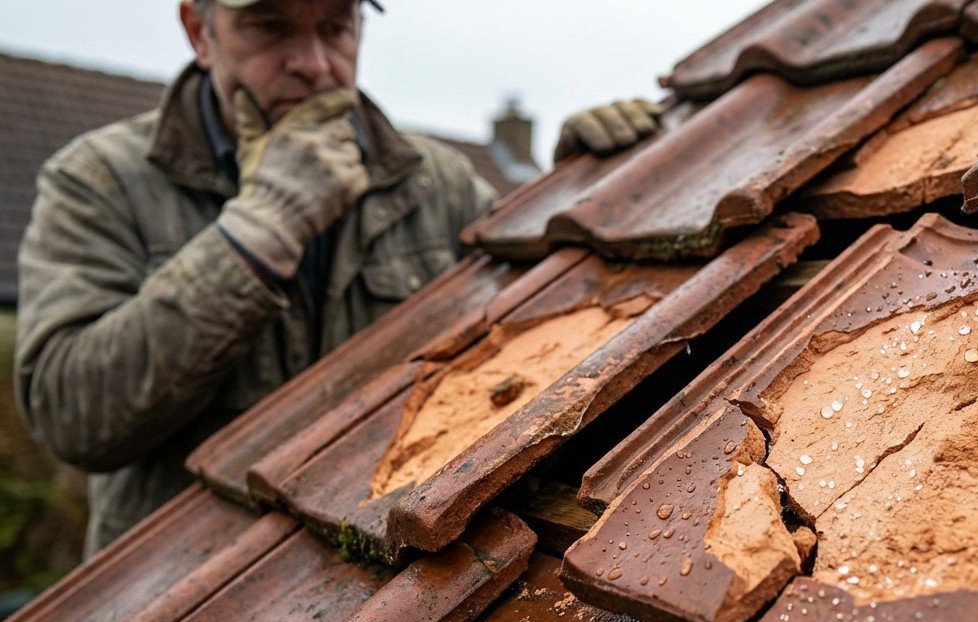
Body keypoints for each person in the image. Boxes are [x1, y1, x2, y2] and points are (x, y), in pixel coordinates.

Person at [14, 0, 660, 556]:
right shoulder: (101, 181)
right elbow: (72, 418)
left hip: (377, 578)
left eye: (336, 25)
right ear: (198, 31)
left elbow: (531, 348)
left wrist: (574, 196)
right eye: (271, 27)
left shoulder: (433, 182)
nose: (316, 64)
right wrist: (258, 232)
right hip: (176, 609)